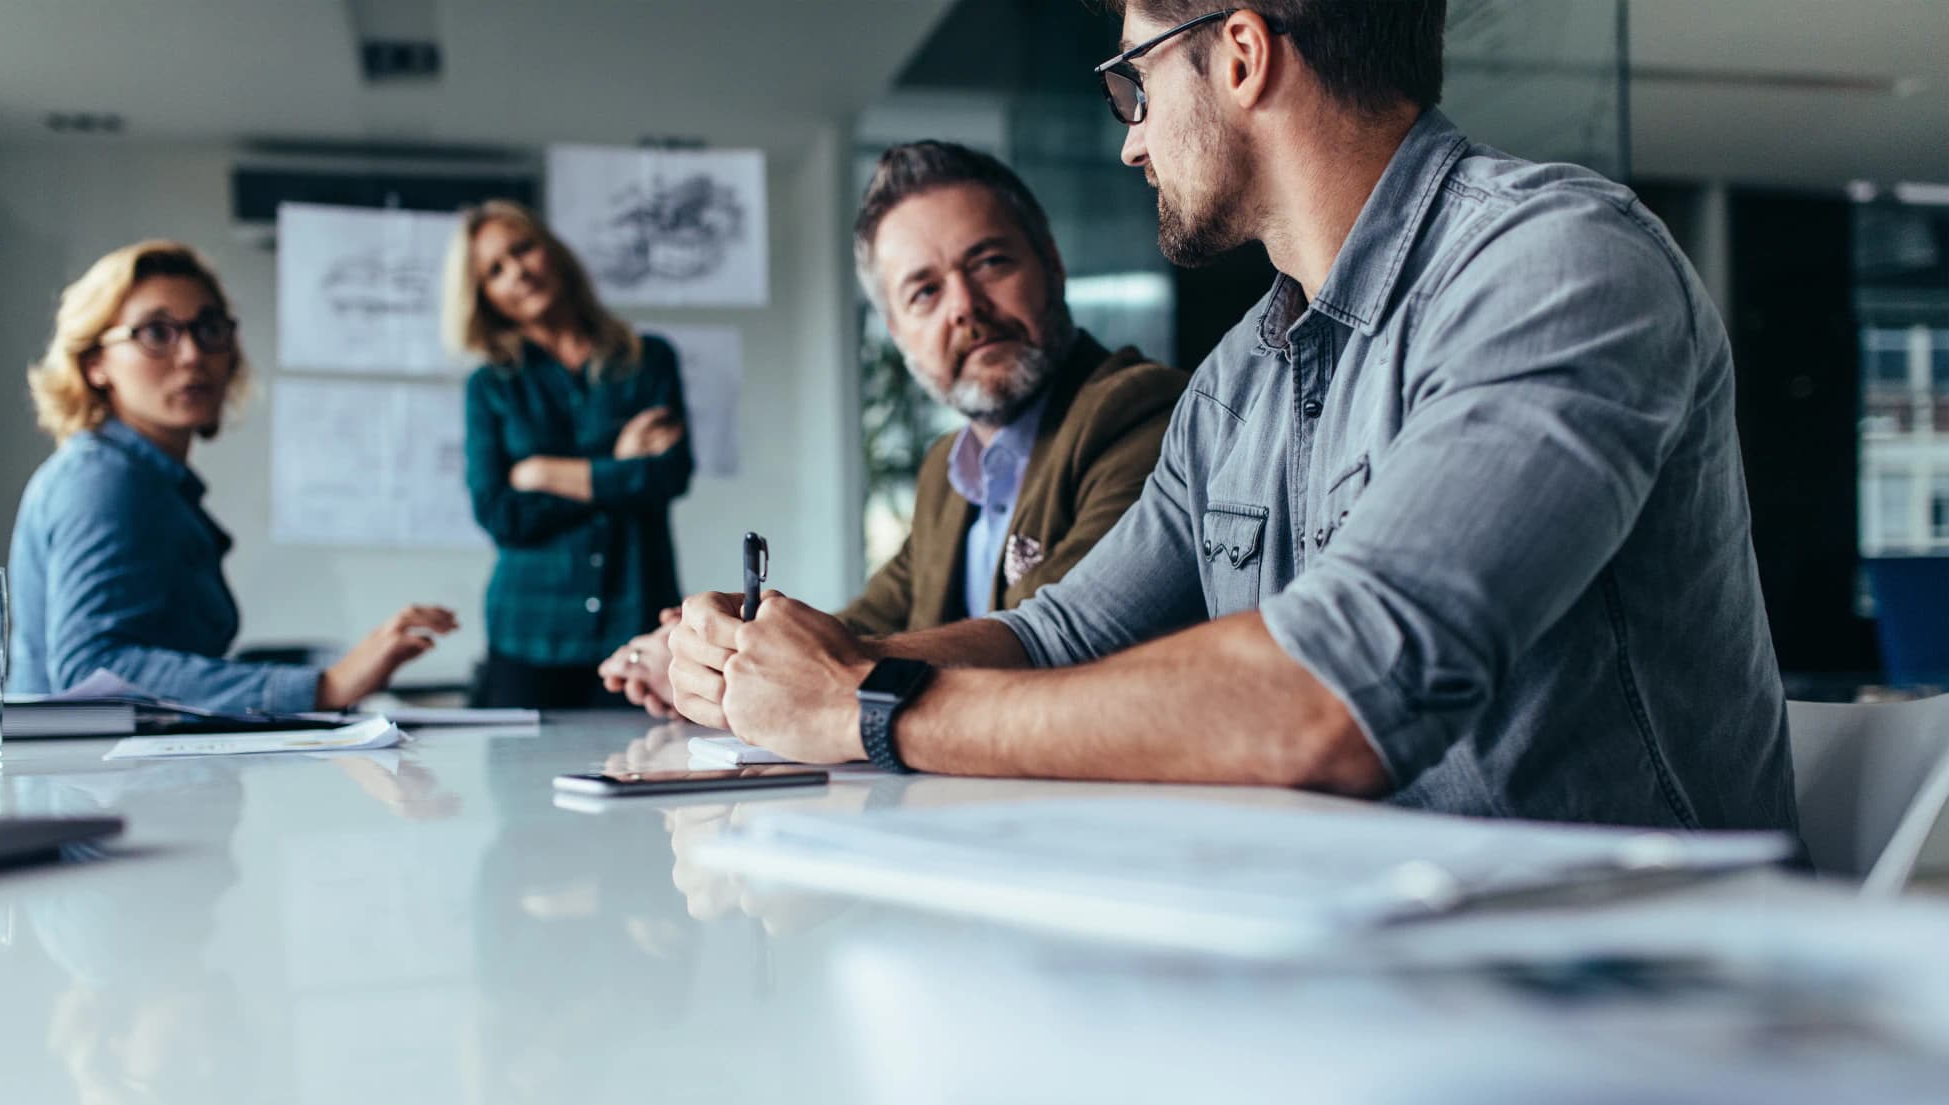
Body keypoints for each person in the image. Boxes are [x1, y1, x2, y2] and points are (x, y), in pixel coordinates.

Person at [666, 1, 1797, 831]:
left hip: (1633, 1003)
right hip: (1371, 952)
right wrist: (786, 671)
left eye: (1136, 84)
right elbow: (1059, 634)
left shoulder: (1557, 265)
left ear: (1242, 55)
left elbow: (1334, 696)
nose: (1130, 138)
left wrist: (871, 710)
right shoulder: (1236, 380)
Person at [602, 142, 1187, 715]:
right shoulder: (946, 468)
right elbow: (868, 622)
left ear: (1052, 263)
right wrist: (718, 646)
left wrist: (772, 669)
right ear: (897, 330)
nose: (963, 306)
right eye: (925, 291)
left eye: (990, 263)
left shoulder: (1137, 413)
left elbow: (1064, 639)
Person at [8, 240, 457, 713]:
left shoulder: (152, 483)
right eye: (157, 333)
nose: (193, 355)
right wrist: (323, 687)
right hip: (84, 783)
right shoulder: (103, 480)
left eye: (210, 329)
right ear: (94, 363)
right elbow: (91, 669)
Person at [447, 200, 693, 709]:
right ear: (484, 296)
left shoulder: (648, 360)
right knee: (517, 788)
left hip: (636, 622)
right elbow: (500, 513)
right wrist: (618, 465)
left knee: (647, 774)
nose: (517, 271)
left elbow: (669, 475)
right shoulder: (491, 387)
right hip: (528, 633)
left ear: (551, 251)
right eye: (495, 270)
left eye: (523, 249)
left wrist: (541, 473)